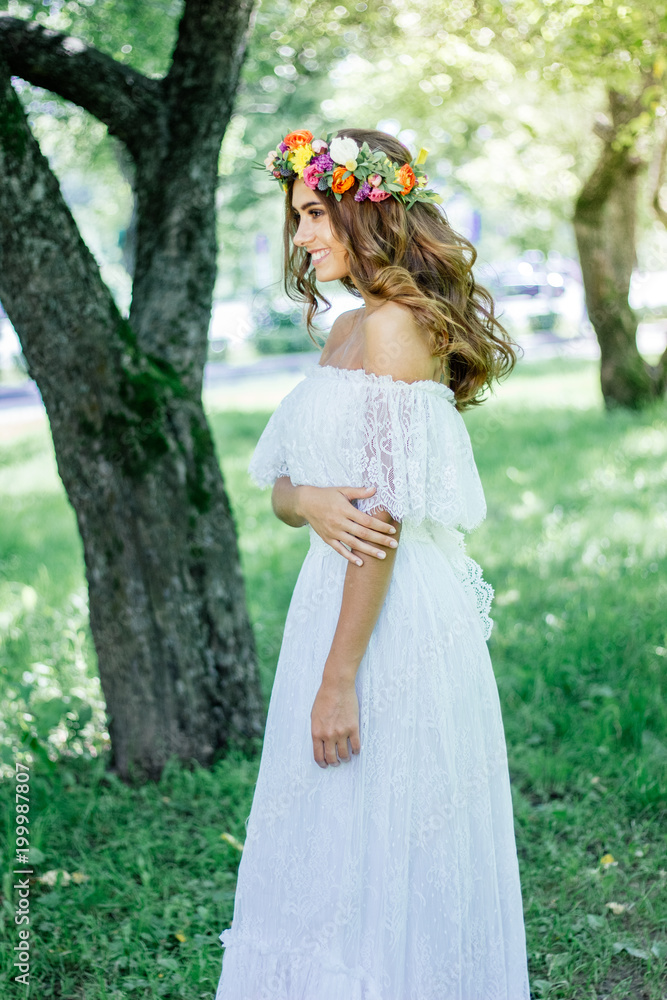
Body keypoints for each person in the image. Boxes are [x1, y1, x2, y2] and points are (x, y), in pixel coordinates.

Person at [215, 127, 531, 999]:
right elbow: (283, 487)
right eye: (296, 218)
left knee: (390, 828)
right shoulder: (345, 328)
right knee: (328, 834)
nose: (302, 235)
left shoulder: (396, 328)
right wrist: (309, 502)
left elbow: (382, 517)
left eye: (314, 213)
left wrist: (339, 678)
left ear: (365, 210)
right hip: (332, 597)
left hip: (388, 618)